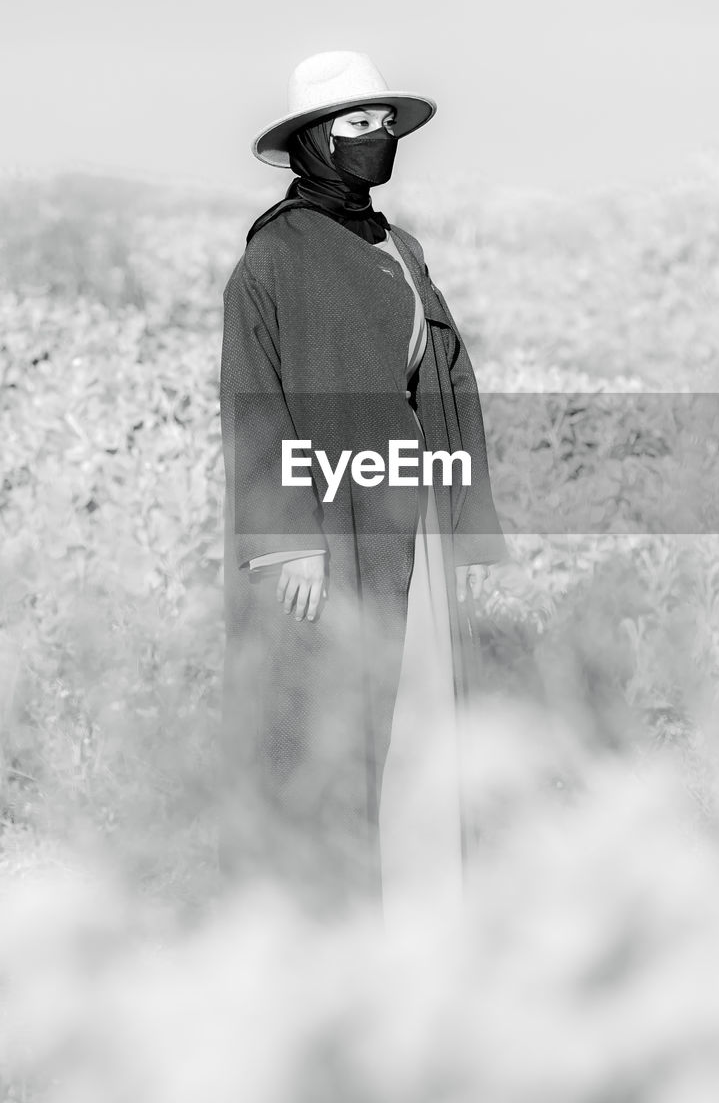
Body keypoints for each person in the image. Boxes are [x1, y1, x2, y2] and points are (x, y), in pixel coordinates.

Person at [219, 50, 505, 921]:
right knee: (337, 709)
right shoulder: (274, 258)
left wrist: (462, 514)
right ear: (314, 139)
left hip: (409, 509)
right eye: (354, 125)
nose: (375, 138)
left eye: (382, 123)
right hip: (331, 526)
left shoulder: (398, 246)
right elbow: (253, 400)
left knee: (420, 705)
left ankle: (426, 908)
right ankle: (330, 914)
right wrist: (288, 540)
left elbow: (445, 376)